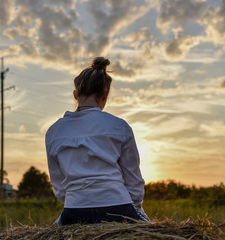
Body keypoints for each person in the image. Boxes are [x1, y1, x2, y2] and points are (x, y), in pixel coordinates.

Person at [45, 57, 149, 225]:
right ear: (106, 94)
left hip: (74, 209)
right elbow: (133, 179)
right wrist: (135, 207)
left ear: (75, 95)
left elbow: (58, 184)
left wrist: (77, 202)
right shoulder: (120, 126)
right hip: (119, 206)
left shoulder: (53, 131)